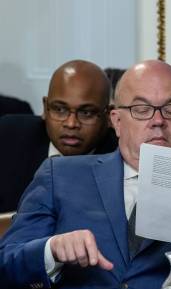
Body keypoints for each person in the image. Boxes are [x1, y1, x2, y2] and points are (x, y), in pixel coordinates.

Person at [0, 60, 171, 289]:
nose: (158, 120)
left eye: (170, 110)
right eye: (141, 108)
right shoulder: (60, 175)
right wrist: (51, 251)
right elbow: (4, 270)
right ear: (116, 121)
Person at [0, 60, 117, 213]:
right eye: (60, 109)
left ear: (109, 116)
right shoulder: (9, 137)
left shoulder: (122, 155)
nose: (71, 123)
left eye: (86, 112)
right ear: (45, 108)